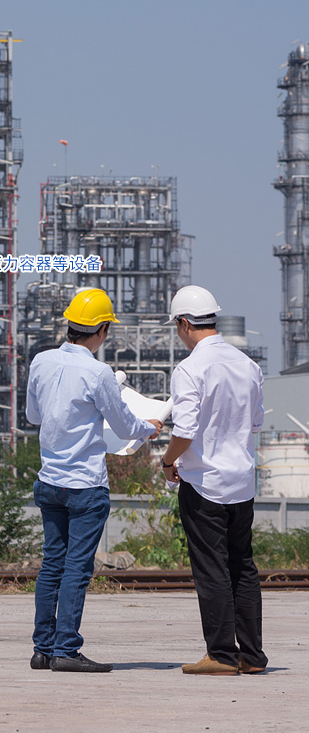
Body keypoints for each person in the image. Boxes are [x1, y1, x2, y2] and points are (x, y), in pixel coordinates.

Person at [27, 288, 162, 673]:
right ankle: (66, 650)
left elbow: (34, 416)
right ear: (102, 330)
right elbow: (124, 426)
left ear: (70, 323)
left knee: (52, 563)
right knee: (76, 568)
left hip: (49, 481)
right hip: (85, 485)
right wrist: (149, 427)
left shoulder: (41, 361)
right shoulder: (99, 372)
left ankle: (43, 649)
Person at [160, 285, 268, 676]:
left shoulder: (190, 369)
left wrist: (167, 461)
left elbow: (185, 430)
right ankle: (251, 656)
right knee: (243, 566)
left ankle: (221, 654)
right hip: (242, 482)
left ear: (183, 323)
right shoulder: (248, 365)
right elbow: (255, 422)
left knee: (212, 568)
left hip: (204, 483)